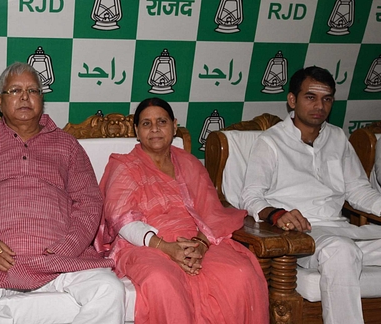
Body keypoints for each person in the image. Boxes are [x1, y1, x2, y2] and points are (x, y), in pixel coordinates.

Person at [0, 62, 125, 324]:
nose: (25, 97)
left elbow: (89, 202)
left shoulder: (67, 145)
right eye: (15, 90)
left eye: (33, 91)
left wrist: (71, 245)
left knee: (110, 290)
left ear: (42, 99)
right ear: (0, 101)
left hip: (61, 260)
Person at [94, 97, 268, 324]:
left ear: (174, 126)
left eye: (162, 121)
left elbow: (212, 212)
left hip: (197, 240)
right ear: (137, 131)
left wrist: (201, 246)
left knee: (240, 273)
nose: (154, 129)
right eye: (146, 124)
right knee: (162, 280)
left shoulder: (190, 163)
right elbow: (123, 221)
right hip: (144, 245)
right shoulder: (124, 166)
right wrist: (168, 248)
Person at [241, 66, 381, 324]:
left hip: (342, 229)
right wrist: (277, 214)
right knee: (342, 251)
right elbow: (251, 196)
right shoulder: (271, 142)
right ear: (292, 100)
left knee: (345, 247)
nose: (320, 105)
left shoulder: (338, 137)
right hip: (302, 236)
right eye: (311, 97)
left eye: (326, 99)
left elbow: (357, 189)